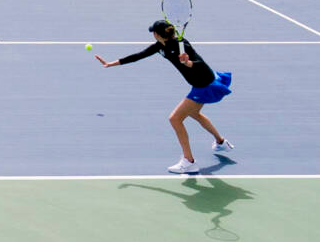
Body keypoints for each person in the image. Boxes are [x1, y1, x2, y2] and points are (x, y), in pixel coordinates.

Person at [98, 18, 236, 174]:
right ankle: (221, 142)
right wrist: (112, 63)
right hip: (200, 83)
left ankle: (189, 161)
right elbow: (139, 55)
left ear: (157, 34)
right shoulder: (160, 46)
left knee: (175, 119)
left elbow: (200, 64)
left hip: (204, 84)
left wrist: (188, 63)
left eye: (153, 32)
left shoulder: (181, 44)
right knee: (194, 113)